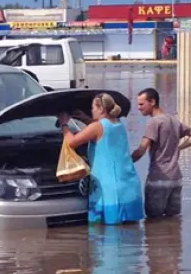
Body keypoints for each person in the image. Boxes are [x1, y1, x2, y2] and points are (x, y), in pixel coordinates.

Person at [58, 94, 144, 225]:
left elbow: (71, 142)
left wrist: (64, 123)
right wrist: (85, 119)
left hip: (109, 190)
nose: (91, 110)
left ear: (101, 109)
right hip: (129, 187)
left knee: (107, 237)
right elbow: (101, 127)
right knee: (131, 236)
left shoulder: (97, 127)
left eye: (93, 107)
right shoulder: (118, 123)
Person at [131, 88, 191, 219]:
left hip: (158, 179)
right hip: (176, 179)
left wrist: (125, 162)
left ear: (152, 102)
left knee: (153, 221)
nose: (139, 108)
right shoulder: (173, 120)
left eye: (141, 104)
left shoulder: (154, 122)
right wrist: (179, 147)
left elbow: (141, 150)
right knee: (173, 220)